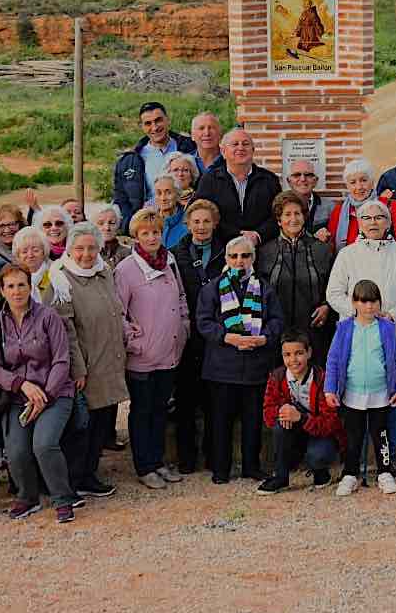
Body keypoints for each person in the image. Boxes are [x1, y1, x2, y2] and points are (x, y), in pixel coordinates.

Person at [326, 198, 396, 473]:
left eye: (379, 218)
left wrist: (394, 315)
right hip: (357, 337)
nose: (373, 223)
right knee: (356, 403)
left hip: (394, 334)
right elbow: (333, 293)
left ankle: (389, 455)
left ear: (388, 222)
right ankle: (354, 460)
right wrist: (360, 314)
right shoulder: (347, 254)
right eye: (368, 218)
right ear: (359, 221)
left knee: (392, 396)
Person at [0, 265, 78, 524]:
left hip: (55, 393)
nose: (17, 291)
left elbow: (62, 360)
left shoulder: (48, 316)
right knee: (15, 451)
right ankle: (27, 497)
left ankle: (63, 498)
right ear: (2, 290)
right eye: (11, 286)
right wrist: (21, 385)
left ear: (30, 287)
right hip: (20, 397)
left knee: (44, 444)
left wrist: (45, 395)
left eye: (22, 285)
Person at [196, 237, 283, 484]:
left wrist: (265, 338)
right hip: (222, 367)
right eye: (234, 256)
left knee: (253, 421)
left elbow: (276, 320)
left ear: (253, 259)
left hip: (255, 366)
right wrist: (227, 337)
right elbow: (203, 322)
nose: (239, 261)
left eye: (245, 256)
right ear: (226, 259)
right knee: (220, 421)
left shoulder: (264, 288)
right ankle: (220, 469)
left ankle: (251, 466)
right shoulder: (212, 288)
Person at [52, 221, 128, 499]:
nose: (86, 254)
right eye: (80, 248)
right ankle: (75, 478)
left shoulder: (104, 272)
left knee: (101, 423)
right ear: (70, 249)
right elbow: (66, 330)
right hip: (86, 365)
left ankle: (89, 474)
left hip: (108, 359)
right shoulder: (60, 280)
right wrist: (78, 369)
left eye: (92, 248)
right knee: (82, 428)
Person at [117, 208, 190, 489]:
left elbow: (181, 297)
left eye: (156, 232)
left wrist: (183, 327)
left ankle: (158, 461)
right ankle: (144, 465)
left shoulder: (169, 261)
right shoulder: (126, 270)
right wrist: (134, 342)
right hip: (142, 357)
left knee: (160, 409)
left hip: (169, 352)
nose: (151, 237)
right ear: (136, 235)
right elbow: (118, 312)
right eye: (145, 232)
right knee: (142, 411)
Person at [326, 280, 396, 496]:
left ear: (379, 303)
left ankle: (384, 472)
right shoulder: (343, 329)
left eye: (373, 301)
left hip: (380, 393)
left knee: (381, 434)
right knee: (353, 435)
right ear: (354, 302)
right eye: (363, 301)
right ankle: (350, 474)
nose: (369, 306)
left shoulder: (387, 328)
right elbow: (333, 360)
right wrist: (329, 389)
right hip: (352, 394)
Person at [258, 329, 344, 494]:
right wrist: (282, 409)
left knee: (318, 455)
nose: (293, 360)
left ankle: (320, 471)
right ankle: (281, 477)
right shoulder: (276, 377)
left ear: (309, 352)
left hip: (320, 434)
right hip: (294, 433)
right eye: (287, 355)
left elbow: (331, 422)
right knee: (279, 423)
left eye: (299, 353)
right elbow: (268, 414)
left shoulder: (322, 378)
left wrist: (302, 418)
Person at [172, 199, 223, 473]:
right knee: (185, 400)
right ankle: (186, 457)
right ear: (187, 224)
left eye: (206, 221)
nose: (201, 226)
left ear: (214, 223)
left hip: (216, 335)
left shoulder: (226, 252)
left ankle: (214, 456)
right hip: (187, 335)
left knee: (214, 400)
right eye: (196, 221)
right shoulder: (174, 255)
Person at [257, 191, 337, 364]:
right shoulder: (265, 252)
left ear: (304, 217)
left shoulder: (322, 250)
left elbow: (334, 285)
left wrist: (327, 306)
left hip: (314, 330)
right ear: (279, 220)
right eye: (287, 214)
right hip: (276, 331)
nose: (293, 219)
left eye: (297, 213)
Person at [112, 100, 198, 231]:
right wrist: (130, 224)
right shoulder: (130, 161)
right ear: (141, 126)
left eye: (158, 120)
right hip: (148, 226)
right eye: (148, 123)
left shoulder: (190, 147)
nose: (154, 127)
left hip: (185, 224)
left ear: (167, 120)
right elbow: (120, 198)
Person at [195, 128, 283, 247]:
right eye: (235, 144)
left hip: (263, 248)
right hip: (221, 250)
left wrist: (257, 235)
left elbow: (278, 215)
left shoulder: (270, 180)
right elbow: (202, 214)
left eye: (245, 144)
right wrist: (237, 236)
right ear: (223, 152)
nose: (240, 148)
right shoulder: (209, 180)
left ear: (253, 150)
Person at [328, 158, 396, 248]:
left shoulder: (393, 207)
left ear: (372, 182)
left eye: (364, 180)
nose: (359, 187)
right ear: (347, 186)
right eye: (353, 182)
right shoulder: (338, 212)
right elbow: (332, 246)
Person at [286, 158, 334, 242]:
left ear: (315, 181)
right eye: (297, 175)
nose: (303, 179)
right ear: (289, 181)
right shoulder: (280, 207)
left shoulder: (330, 208)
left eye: (308, 175)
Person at [12, 226, 56, 305]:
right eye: (24, 252)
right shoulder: (13, 277)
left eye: (35, 250)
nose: (30, 255)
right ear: (18, 256)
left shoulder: (56, 273)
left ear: (44, 251)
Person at [94, 204, 133, 269]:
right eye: (101, 223)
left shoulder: (128, 253)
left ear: (118, 225)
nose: (107, 228)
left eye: (111, 223)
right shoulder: (87, 253)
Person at [0, 205, 25, 271]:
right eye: (1, 226)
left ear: (20, 225)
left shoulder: (31, 250)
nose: (7, 230)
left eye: (11, 224)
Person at [190, 110, 225, 175]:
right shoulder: (185, 162)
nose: (207, 133)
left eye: (211, 128)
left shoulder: (230, 161)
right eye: (201, 128)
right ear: (192, 136)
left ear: (220, 134)